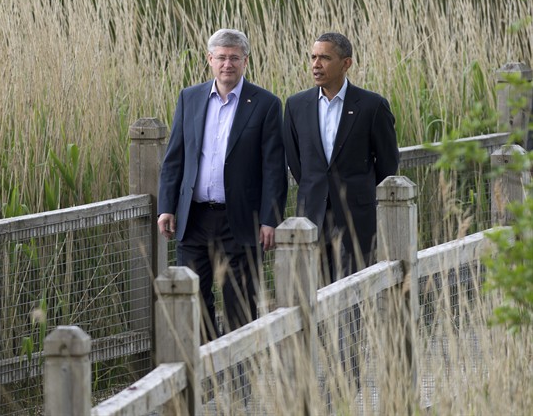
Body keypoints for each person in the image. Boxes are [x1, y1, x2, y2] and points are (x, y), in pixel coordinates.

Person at [157, 28, 288, 343]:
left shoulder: (266, 104)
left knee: (239, 302)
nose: (227, 64)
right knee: (193, 299)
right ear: (209, 60)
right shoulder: (190, 98)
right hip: (195, 218)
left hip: (241, 220)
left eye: (234, 58)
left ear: (245, 61)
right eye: (221, 58)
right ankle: (206, 372)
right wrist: (166, 207)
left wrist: (270, 218)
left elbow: (274, 168)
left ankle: (241, 380)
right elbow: (174, 158)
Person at [283, 32, 399, 284]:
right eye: (313, 57)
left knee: (356, 291)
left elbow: (388, 166)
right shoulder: (296, 105)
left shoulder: (372, 106)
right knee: (314, 293)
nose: (316, 64)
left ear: (346, 63)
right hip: (312, 215)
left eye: (325, 58)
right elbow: (296, 161)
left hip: (356, 217)